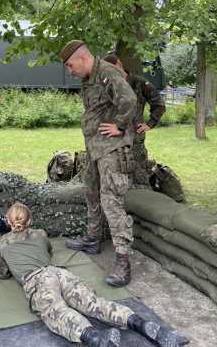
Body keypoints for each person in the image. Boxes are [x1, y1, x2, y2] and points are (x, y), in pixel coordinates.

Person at [0, 202, 188, 347]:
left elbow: (2, 273)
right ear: (30, 221)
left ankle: (96, 339)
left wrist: (0, 239)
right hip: (59, 273)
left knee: (57, 313)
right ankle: (142, 324)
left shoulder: (2, 244)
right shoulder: (41, 234)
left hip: (37, 281)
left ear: (8, 222)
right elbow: (47, 250)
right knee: (94, 303)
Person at [59, 40, 137, 287]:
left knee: (110, 201)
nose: (70, 71)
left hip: (111, 151)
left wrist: (120, 125)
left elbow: (129, 99)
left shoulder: (107, 72)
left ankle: (123, 261)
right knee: (91, 191)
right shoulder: (89, 78)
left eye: (71, 65)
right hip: (95, 149)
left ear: (83, 58)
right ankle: (93, 239)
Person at [103, 54, 166, 185]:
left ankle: (143, 198)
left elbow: (159, 104)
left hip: (135, 139)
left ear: (119, 64)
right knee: (114, 176)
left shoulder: (140, 83)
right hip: (113, 139)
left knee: (138, 175)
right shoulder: (107, 85)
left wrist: (150, 123)